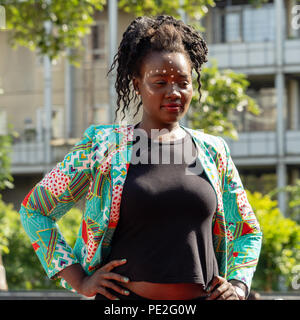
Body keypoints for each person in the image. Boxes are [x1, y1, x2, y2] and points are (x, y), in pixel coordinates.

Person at [19, 15, 262, 301]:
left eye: (182, 82)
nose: (173, 92)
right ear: (137, 85)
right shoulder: (103, 147)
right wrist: (80, 281)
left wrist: (238, 285)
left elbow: (248, 230)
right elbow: (35, 210)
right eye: (159, 82)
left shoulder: (213, 151)